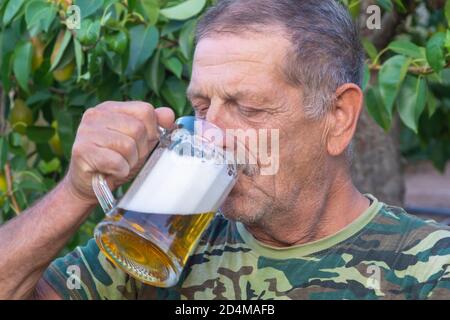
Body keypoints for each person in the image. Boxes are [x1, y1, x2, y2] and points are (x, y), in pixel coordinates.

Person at [1, 0, 450, 300]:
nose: (210, 135)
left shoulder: (430, 268)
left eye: (248, 107)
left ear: (339, 117)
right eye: (201, 105)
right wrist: (77, 192)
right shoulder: (164, 240)